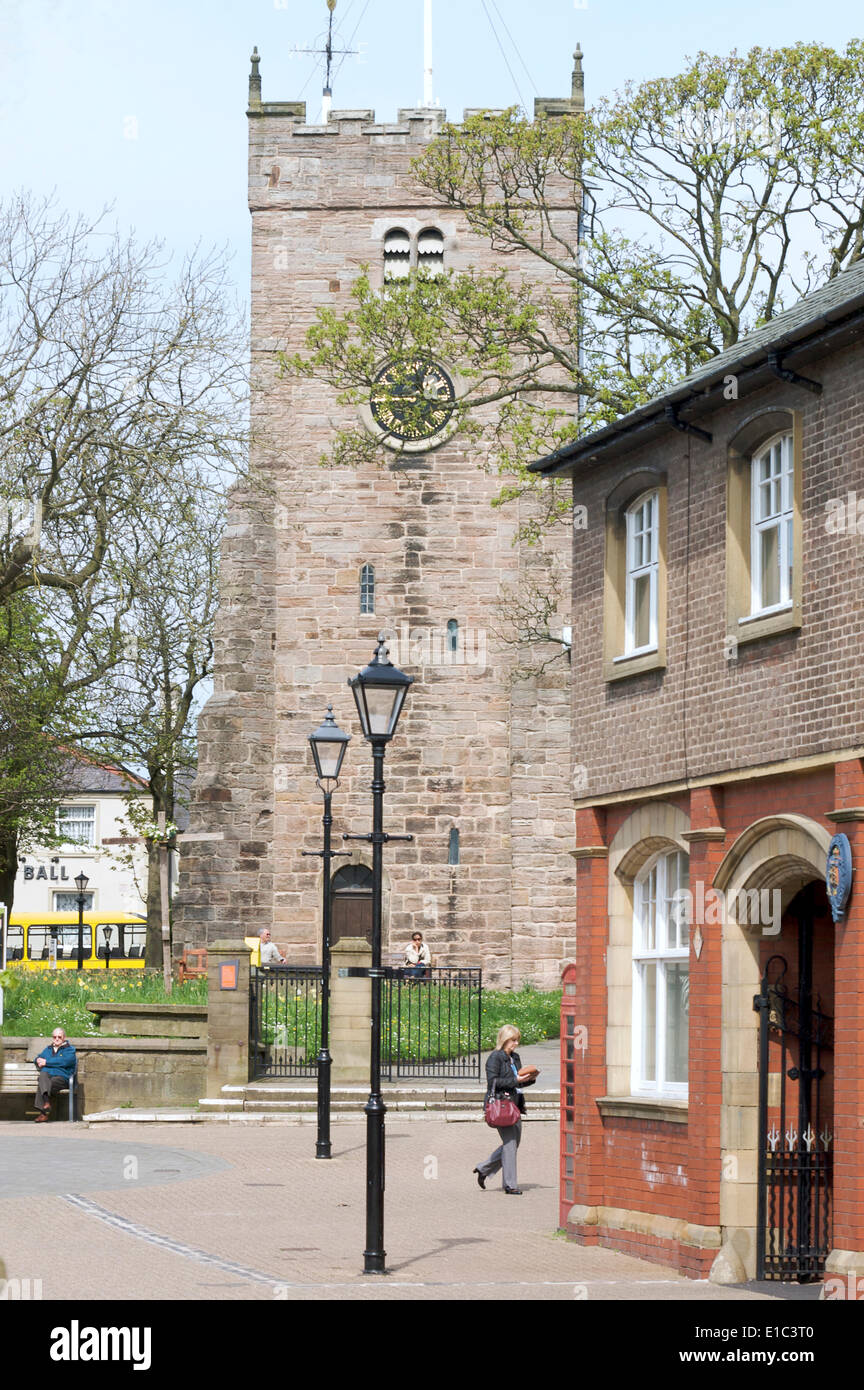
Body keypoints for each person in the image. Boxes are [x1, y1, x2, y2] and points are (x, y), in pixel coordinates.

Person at [473, 1025, 537, 1194]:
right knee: (509, 1144)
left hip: (515, 1105)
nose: (515, 1044)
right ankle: (510, 1185)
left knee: (514, 1144)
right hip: (501, 1105)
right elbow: (494, 1082)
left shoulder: (515, 1057)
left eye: (517, 1040)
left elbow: (518, 1082)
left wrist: (530, 1079)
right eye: (513, 1040)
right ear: (504, 1039)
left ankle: (484, 1169)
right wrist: (516, 1079)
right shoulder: (495, 1058)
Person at [33, 1028, 77, 1123]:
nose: (56, 1039)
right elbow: (39, 1057)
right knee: (43, 1075)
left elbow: (65, 1062)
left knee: (43, 1083)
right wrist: (37, 1060)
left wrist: (46, 1062)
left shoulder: (69, 1049)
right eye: (54, 1037)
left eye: (59, 1037)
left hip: (62, 1078)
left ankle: (43, 1113)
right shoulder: (48, 1049)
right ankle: (46, 1103)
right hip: (48, 1076)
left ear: (64, 1038)